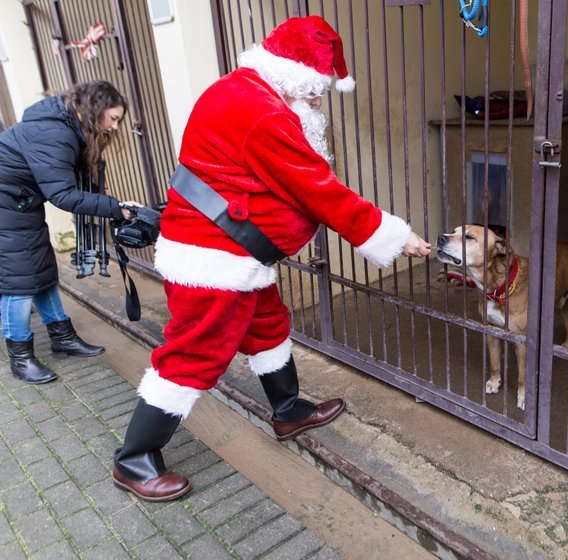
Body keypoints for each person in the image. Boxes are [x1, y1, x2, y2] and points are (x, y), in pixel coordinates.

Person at [112, 15, 432, 502]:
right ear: (291, 73)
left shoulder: (248, 90)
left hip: (237, 253)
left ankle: (288, 411)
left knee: (267, 326)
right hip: (213, 257)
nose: (320, 100)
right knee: (194, 353)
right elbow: (317, 190)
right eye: (316, 89)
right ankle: (133, 460)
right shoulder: (262, 112)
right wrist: (392, 235)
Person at [0, 81, 142, 385]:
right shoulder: (55, 133)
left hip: (19, 203)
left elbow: (67, 174)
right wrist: (116, 208)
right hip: (7, 206)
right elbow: (63, 195)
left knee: (40, 272)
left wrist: (100, 194)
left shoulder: (66, 125)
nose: (116, 127)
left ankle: (62, 337)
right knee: (18, 283)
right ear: (94, 110)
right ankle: (20, 358)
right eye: (113, 118)